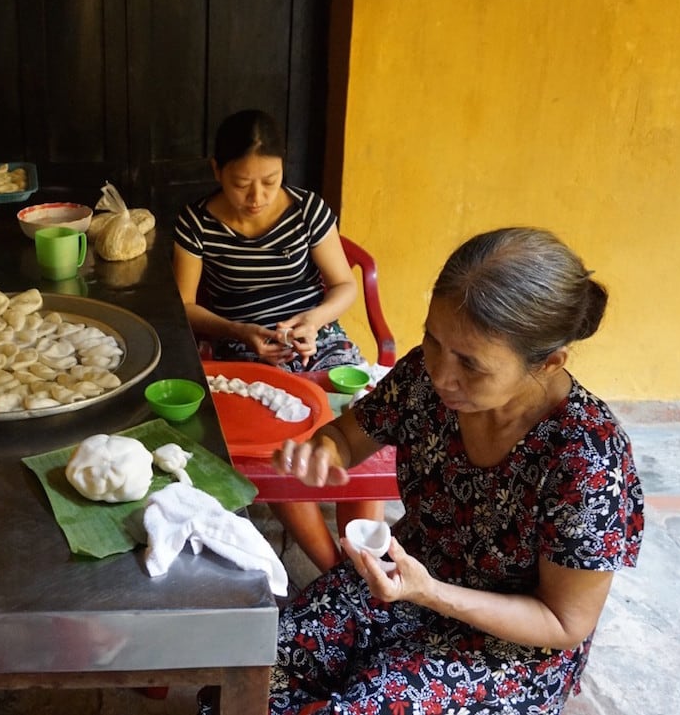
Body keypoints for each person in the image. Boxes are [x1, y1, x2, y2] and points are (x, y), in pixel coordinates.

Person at [262, 227, 644, 714]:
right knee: (260, 660)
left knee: (368, 705)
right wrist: (321, 451)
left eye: (471, 364)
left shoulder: (588, 458)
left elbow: (564, 621)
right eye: (433, 339)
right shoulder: (426, 376)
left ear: (549, 363)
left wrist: (430, 594)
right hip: (412, 573)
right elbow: (346, 438)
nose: (442, 373)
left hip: (513, 644)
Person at [172, 108, 382, 573]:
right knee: (281, 450)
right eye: (241, 182)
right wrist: (239, 331)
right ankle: (336, 574)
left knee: (363, 428)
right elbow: (183, 305)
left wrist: (313, 320)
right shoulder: (196, 222)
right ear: (216, 170)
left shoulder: (307, 210)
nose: (257, 196)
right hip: (247, 350)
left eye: (270, 180)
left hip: (318, 339)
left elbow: (343, 285)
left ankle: (362, 559)